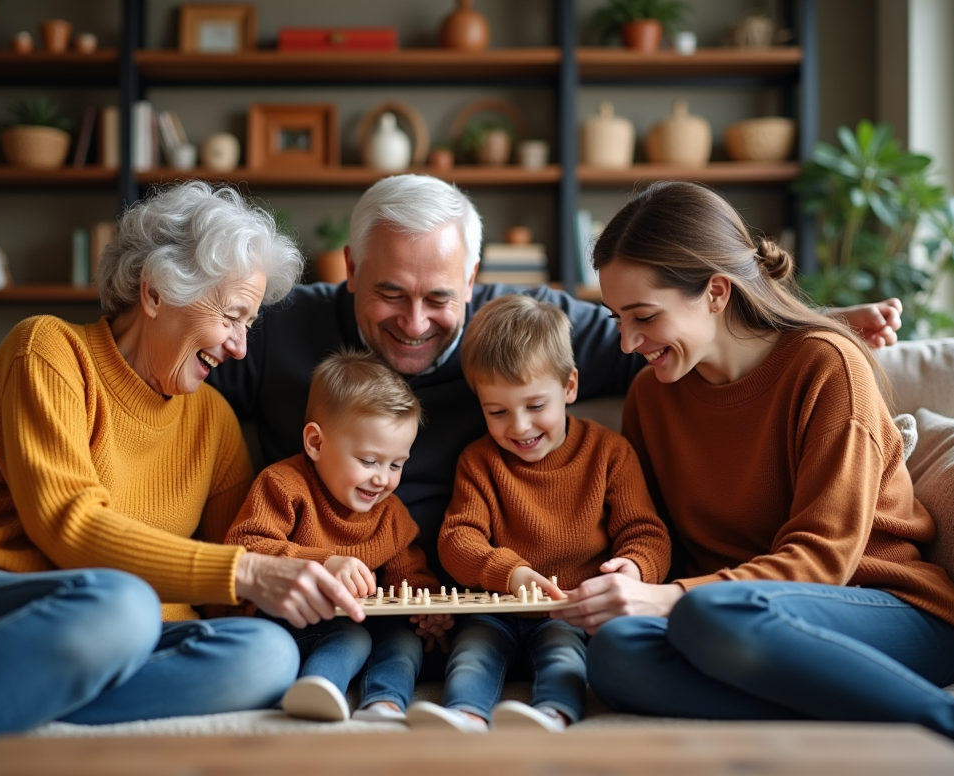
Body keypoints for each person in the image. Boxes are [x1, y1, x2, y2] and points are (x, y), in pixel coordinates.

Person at [0, 182, 364, 776]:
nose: (240, 345)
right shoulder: (49, 350)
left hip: (111, 635)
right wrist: (248, 573)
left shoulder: (214, 421)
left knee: (267, 654)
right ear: (157, 291)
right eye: (229, 316)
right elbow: (69, 525)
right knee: (123, 603)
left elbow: (228, 582)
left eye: (248, 323)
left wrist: (319, 572)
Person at [551, 180, 954, 776]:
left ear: (717, 292)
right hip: (742, 631)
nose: (628, 342)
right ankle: (862, 713)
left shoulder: (826, 366)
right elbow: (659, 533)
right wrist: (638, 572)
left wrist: (672, 597)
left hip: (885, 610)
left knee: (707, 612)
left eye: (644, 316)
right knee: (617, 658)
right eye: (617, 318)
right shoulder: (652, 396)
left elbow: (824, 558)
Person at [207, 174, 903, 583]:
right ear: (350, 271)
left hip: (476, 606)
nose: (415, 322)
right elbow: (176, 378)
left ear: (474, 282)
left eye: (440, 298)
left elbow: (684, 329)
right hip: (325, 590)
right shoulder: (275, 330)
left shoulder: (523, 330)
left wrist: (811, 323)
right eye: (390, 293)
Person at [405, 295, 671, 733]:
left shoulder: (609, 453)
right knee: (470, 655)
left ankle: (553, 714)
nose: (520, 427)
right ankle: (464, 715)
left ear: (569, 388)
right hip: (494, 609)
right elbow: (458, 539)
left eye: (535, 406)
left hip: (568, 611)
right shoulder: (479, 461)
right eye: (497, 412)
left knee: (564, 657)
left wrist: (635, 569)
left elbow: (646, 533)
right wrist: (510, 575)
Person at [224, 349, 451, 723]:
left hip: (359, 619)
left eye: (396, 465)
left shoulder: (390, 513)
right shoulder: (283, 485)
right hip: (281, 620)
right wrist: (324, 563)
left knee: (404, 640)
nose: (383, 479)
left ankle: (385, 702)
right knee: (351, 636)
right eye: (369, 461)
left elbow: (409, 573)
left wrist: (426, 610)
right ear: (316, 443)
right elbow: (246, 548)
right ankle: (315, 690)